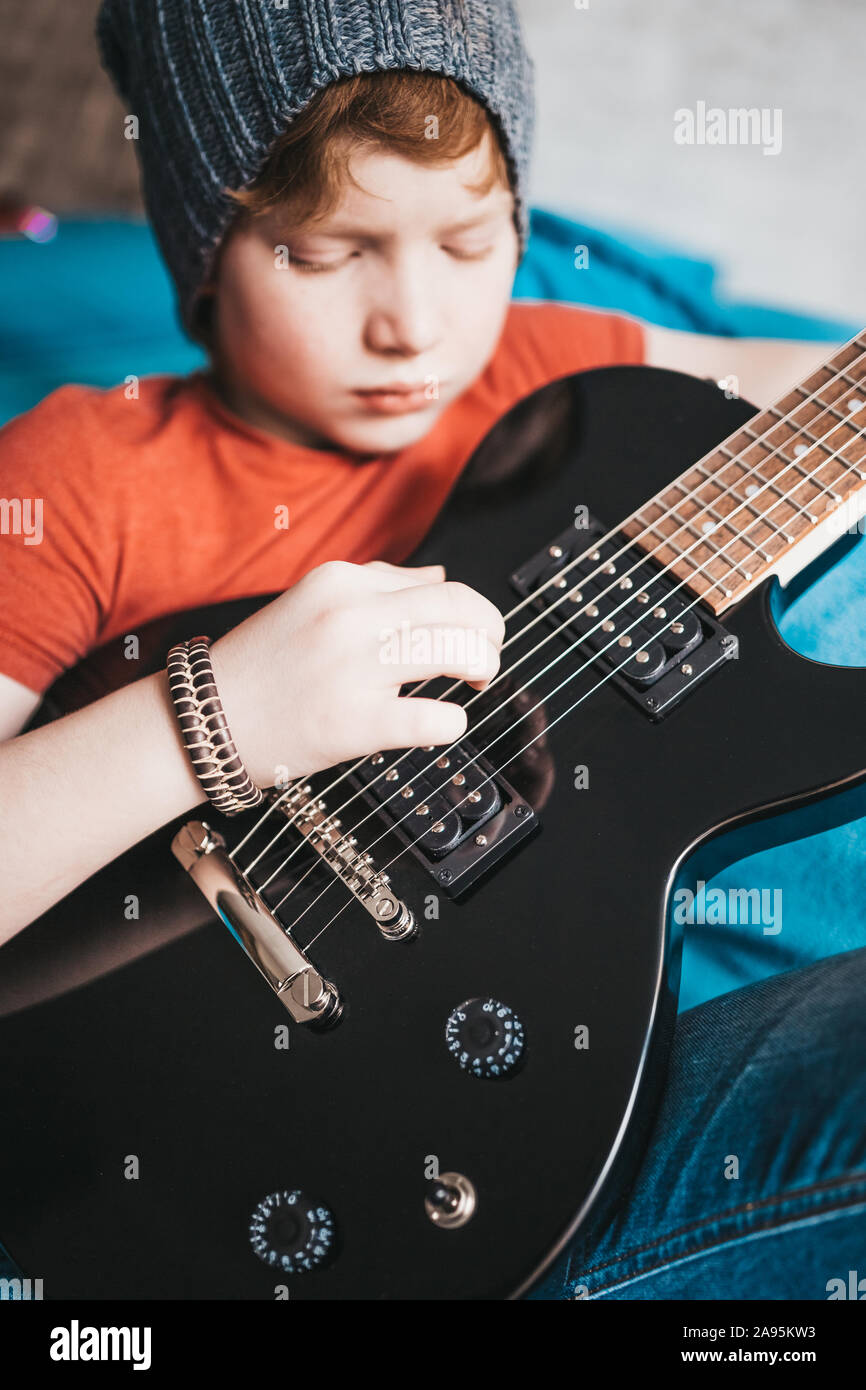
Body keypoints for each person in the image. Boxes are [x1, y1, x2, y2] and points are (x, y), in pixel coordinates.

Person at [0, 0, 860, 1300]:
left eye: (471, 239)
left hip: (564, 1113)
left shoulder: (551, 370)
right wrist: (215, 716)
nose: (412, 323)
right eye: (324, 251)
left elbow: (821, 401)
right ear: (204, 248)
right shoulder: (79, 478)